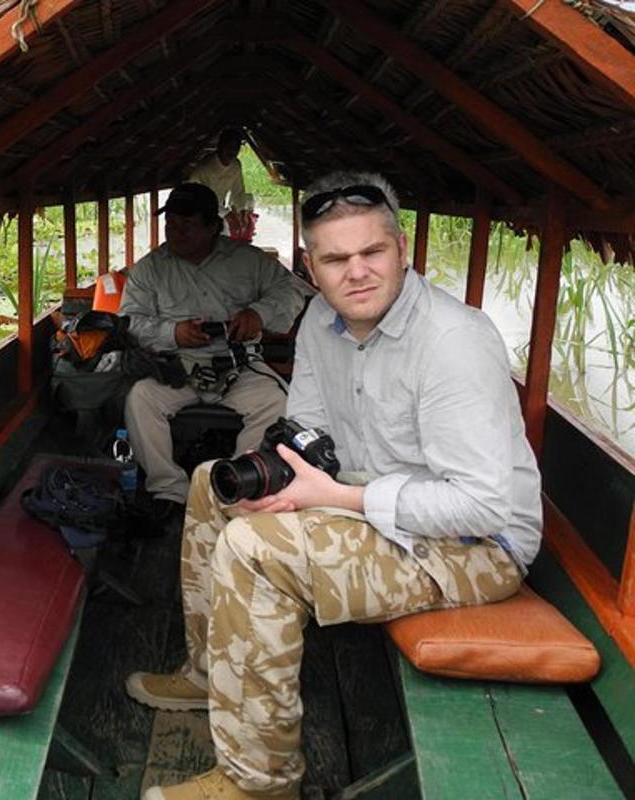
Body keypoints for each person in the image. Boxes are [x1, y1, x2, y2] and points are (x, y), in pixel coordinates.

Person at [125, 171, 542, 800]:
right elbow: (309, 428)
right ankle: (210, 671)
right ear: (310, 267)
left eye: (372, 252)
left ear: (402, 250)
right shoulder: (323, 319)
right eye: (336, 258)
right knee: (216, 484)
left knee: (254, 550)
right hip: (372, 503)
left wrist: (336, 498)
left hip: (474, 548)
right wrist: (283, 475)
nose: (357, 273)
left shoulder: (453, 340)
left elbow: (483, 505)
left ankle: (260, 783)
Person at [119, 182, 303, 525]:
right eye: (170, 223)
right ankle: (169, 490)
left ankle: (235, 482)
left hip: (240, 364)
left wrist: (258, 314)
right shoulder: (149, 269)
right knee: (140, 399)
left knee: (280, 404)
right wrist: (172, 333)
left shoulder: (248, 261)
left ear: (212, 227)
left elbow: (290, 292)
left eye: (185, 225)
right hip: (178, 367)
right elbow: (128, 323)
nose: (174, 232)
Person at [191, 128, 255, 240]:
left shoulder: (235, 166)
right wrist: (228, 215)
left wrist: (242, 212)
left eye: (236, 149)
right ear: (220, 146)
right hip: (198, 213)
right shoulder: (206, 168)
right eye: (229, 147)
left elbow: (238, 191)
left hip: (218, 211)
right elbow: (204, 200)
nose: (232, 152)